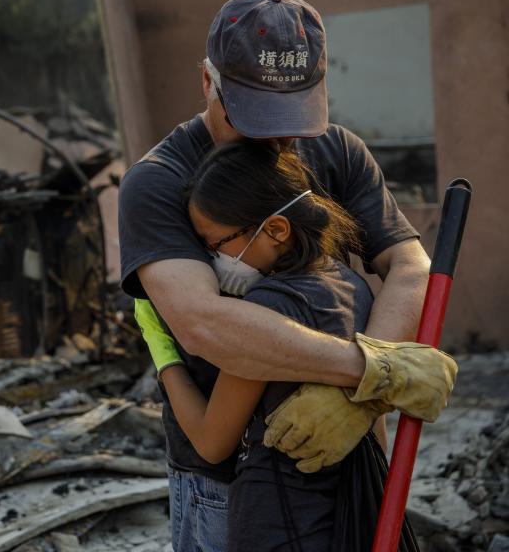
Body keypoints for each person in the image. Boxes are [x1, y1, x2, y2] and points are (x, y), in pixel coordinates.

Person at [118, 0, 456, 552]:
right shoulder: (158, 182)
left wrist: (359, 400)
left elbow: (409, 265)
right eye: (253, 117)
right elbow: (206, 324)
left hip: (349, 462)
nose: (274, 140)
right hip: (228, 490)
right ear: (209, 83)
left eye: (289, 118)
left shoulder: (337, 151)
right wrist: (370, 374)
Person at [153, 141, 418, 551]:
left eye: (217, 243)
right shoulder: (355, 288)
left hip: (276, 526)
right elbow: (376, 433)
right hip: (351, 519)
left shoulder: (268, 311)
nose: (213, 259)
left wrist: (164, 356)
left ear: (276, 229)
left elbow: (211, 441)